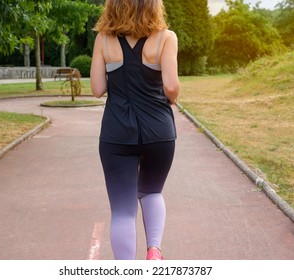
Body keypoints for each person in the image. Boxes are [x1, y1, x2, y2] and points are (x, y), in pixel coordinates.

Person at [90, 0, 180, 260]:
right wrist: (171, 100)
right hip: (159, 132)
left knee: (122, 211)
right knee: (152, 191)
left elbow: (97, 89)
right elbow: (171, 87)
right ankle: (154, 251)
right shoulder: (166, 38)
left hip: (116, 134)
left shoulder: (103, 41)